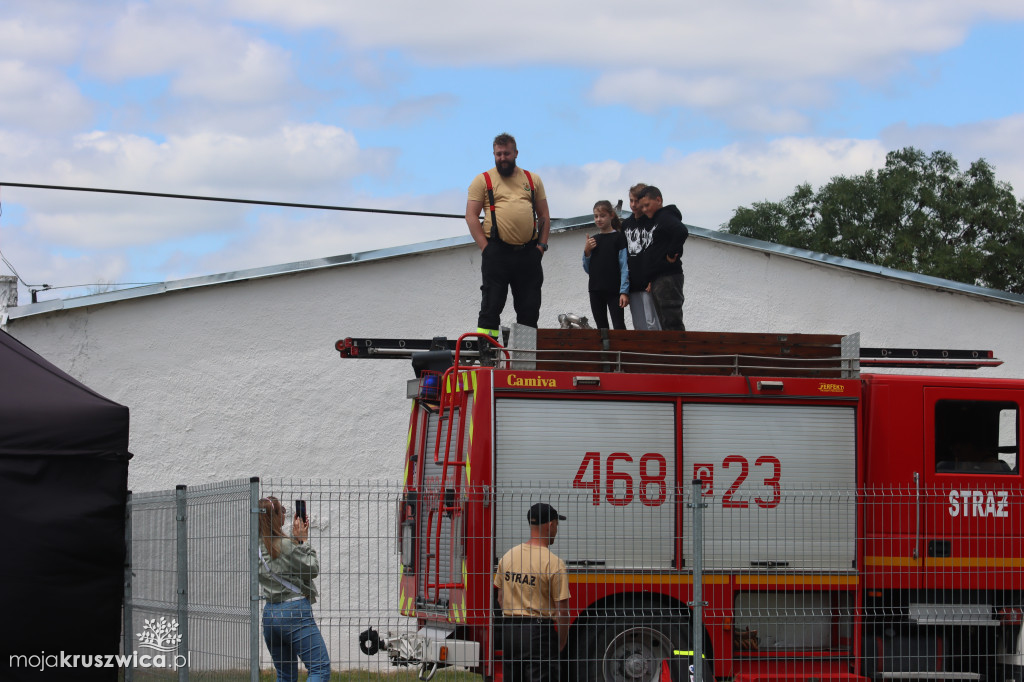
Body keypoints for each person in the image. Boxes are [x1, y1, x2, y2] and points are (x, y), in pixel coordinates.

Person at [466, 133, 551, 338]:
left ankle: (526, 359)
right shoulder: (482, 180)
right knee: (491, 305)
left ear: (516, 153)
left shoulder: (532, 179)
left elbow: (544, 216)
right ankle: (488, 354)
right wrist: (486, 248)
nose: (502, 158)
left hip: (529, 253)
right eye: (498, 154)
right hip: (497, 252)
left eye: (506, 153)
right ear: (494, 154)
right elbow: (471, 216)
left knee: (529, 308)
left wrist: (541, 247)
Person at [494, 503, 571, 682]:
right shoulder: (553, 563)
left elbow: (500, 597)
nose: (556, 531)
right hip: (539, 633)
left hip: (510, 631)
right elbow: (563, 611)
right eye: (556, 525)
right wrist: (561, 641)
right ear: (550, 525)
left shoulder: (508, 556)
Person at [258, 496, 330, 682]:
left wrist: (294, 541)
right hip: (294, 611)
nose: (285, 513)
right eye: (282, 510)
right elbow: (312, 568)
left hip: (270, 614)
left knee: (286, 675)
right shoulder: (285, 545)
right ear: (274, 517)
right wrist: (302, 541)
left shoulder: (256, 547)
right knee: (319, 669)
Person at [638, 186, 688, 331]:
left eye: (647, 205)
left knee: (672, 321)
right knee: (665, 322)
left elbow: (681, 231)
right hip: (658, 278)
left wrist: (672, 254)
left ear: (658, 200)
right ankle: (671, 350)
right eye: (642, 207)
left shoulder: (665, 216)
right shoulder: (654, 220)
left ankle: (678, 351)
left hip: (668, 277)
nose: (645, 210)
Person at [583, 200, 629, 330]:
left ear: (611, 215)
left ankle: (620, 350)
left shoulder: (619, 238)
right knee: (601, 328)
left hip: (614, 291)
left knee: (619, 325)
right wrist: (587, 252)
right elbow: (588, 269)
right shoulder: (593, 240)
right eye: (596, 216)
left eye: (602, 216)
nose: (598, 219)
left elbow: (624, 266)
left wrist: (624, 291)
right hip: (595, 290)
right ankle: (605, 351)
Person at [622, 182, 662, 330]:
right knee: (638, 324)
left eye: (636, 201)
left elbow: (657, 252)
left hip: (649, 283)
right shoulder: (626, 224)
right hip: (633, 283)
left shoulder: (652, 222)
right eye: (630, 200)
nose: (633, 205)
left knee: (653, 323)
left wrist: (653, 278)